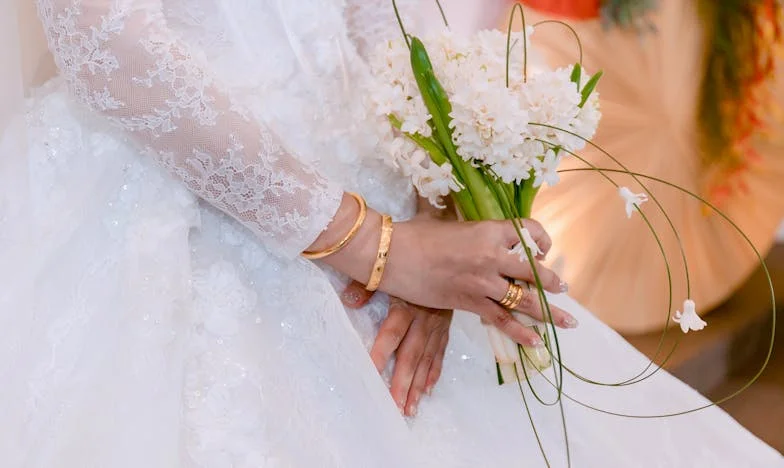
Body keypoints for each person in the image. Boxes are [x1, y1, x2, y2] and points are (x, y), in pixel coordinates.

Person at [0, 0, 781, 466]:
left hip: (369, 161)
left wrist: (430, 199)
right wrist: (377, 246)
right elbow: (106, 44)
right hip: (171, 193)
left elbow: (376, 18)